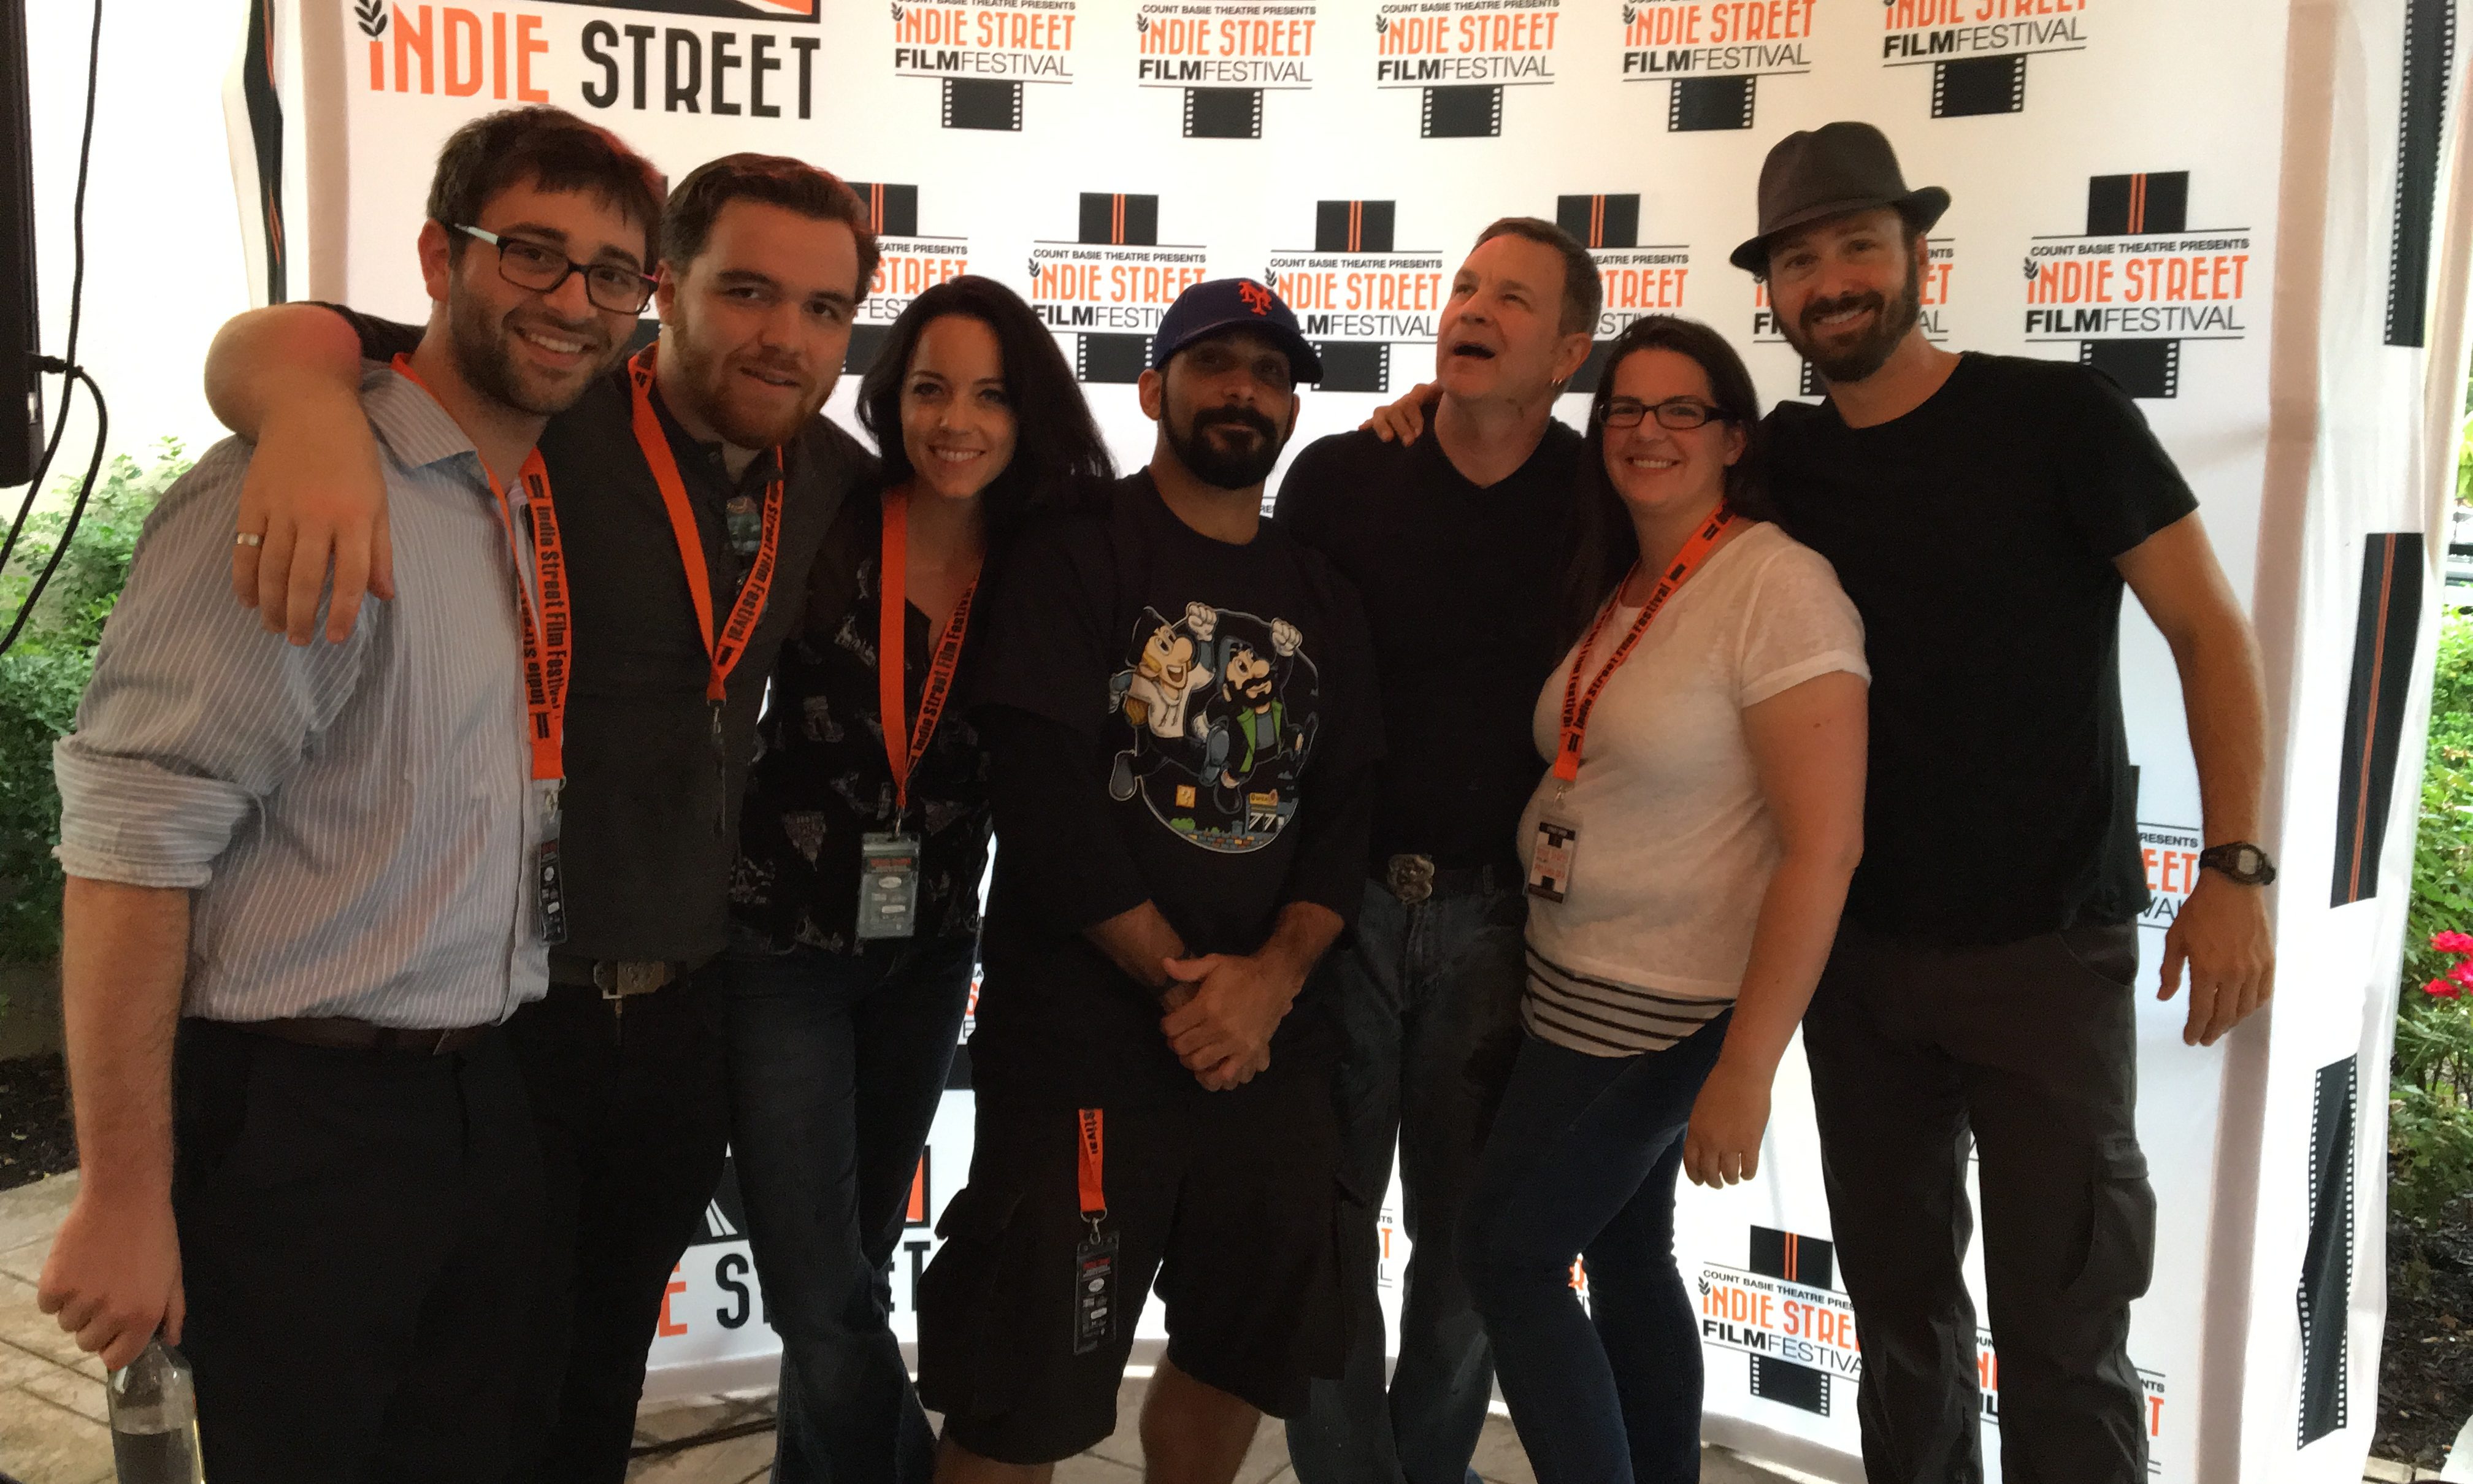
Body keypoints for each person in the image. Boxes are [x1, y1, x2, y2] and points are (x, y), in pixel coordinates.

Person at [196, 151, 881, 1483]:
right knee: (476, 1393)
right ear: (664, 291)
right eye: (746, 292)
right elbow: (273, 343)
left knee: (602, 1368)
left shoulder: (833, 476)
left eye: (823, 310)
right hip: (512, 1009)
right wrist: (304, 411)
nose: (785, 337)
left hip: (683, 1008)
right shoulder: (546, 394)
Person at [33, 107, 661, 1480]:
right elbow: (133, 845)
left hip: (481, 1085)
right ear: (440, 258)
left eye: (613, 273)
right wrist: (123, 1197)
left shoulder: (507, 498)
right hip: (301, 1121)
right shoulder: (306, 490)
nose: (573, 302)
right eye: (533, 253)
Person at [1733, 121, 2274, 1484]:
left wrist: (2237, 868)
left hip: (2047, 956)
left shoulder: (2061, 419)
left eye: (1858, 244)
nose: (1832, 281)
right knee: (1899, 1324)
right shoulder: (1778, 462)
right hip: (1857, 964)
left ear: (1918, 252)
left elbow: (2209, 630)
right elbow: (1628, 470)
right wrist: (1422, 418)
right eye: (1799, 261)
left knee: (2067, 1330)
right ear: (1775, 293)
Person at [916, 278, 1381, 1482]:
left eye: (1270, 374)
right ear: (1152, 388)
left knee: (1236, 1362)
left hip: (1269, 1052)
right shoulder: (1073, 552)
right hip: (1082, 1050)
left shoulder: (1325, 594)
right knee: (1020, 1393)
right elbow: (1045, 798)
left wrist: (1270, 983)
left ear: (1294, 409)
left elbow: (1345, 818)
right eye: (1214, 364)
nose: (1244, 391)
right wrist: (1191, 993)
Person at [1455, 315, 1868, 1484]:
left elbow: (1824, 847)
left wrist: (1748, 1067)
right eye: (1625, 409)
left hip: (1660, 1011)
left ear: (1734, 436)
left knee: (1510, 1259)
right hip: (1570, 981)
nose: (1648, 431)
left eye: (1681, 409)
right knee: (1628, 1256)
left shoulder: (1778, 585)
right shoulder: (1626, 581)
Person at [721, 273, 1111, 1483]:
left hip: (930, 953)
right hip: (779, 950)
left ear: (1027, 414)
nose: (957, 421)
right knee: (815, 1287)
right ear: (893, 398)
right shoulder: (830, 515)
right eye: (932, 389)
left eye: (991, 396)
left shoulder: (1047, 563)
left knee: (849, 1265)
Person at [1268, 217, 1598, 1484]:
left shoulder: (1603, 499)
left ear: (1567, 352)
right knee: (1322, 1238)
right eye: (1464, 286)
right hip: (1335, 908)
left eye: (1512, 298)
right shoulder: (1342, 477)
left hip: (1510, 925)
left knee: (1472, 1258)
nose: (1473, 308)